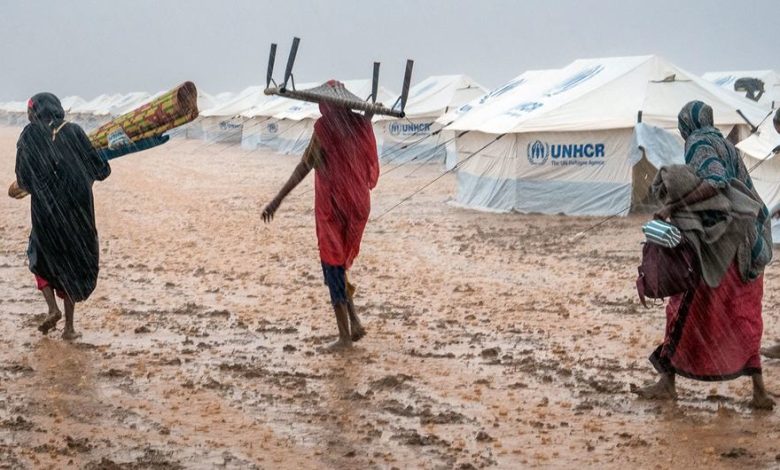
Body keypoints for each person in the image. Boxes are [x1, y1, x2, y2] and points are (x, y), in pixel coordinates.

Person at [634, 100, 774, 409]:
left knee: (683, 309)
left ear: (686, 124)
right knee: (742, 315)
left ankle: (666, 383)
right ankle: (759, 392)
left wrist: (672, 206)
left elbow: (715, 180)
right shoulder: (726, 143)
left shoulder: (699, 142)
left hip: (721, 248)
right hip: (748, 244)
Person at [262, 81, 379, 351]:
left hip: (334, 208)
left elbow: (304, 166)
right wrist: (369, 116)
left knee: (332, 265)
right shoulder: (359, 125)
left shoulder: (324, 130)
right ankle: (355, 322)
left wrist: (276, 201)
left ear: (324, 105)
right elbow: (367, 142)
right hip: (358, 207)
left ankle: (344, 337)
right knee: (338, 264)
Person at [11, 93, 111, 340]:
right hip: (77, 213)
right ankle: (69, 328)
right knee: (71, 262)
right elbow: (101, 169)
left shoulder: (30, 136)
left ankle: (51, 308)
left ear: (35, 112)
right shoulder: (74, 131)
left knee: (39, 255)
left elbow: (24, 178)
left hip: (46, 214)